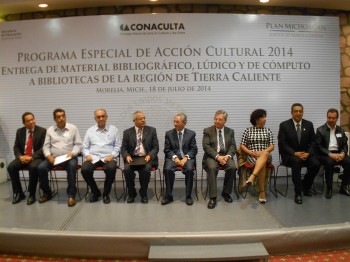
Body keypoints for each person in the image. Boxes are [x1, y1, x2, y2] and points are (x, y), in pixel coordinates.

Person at [278, 103, 321, 204]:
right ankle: (298, 192)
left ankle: (305, 186)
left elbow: (313, 141)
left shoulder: (309, 124)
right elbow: (282, 143)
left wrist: (308, 153)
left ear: (303, 112)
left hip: (305, 155)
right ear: (291, 112)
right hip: (290, 156)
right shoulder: (284, 125)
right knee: (296, 162)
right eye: (295, 111)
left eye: (300, 111)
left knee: (316, 164)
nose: (298, 113)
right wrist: (294, 153)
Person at [38, 108, 82, 207]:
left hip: (69, 157)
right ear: (54, 119)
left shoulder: (73, 128)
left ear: (65, 116)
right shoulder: (50, 130)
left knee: (71, 167)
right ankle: (47, 193)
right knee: (41, 168)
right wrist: (48, 156)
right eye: (58, 117)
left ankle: (71, 195)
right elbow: (46, 146)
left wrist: (73, 153)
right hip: (54, 158)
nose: (61, 118)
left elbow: (78, 144)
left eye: (63, 116)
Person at [81, 108, 121, 204]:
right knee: (84, 169)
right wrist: (87, 155)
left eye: (103, 116)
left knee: (111, 169)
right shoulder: (90, 130)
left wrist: (112, 155)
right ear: (95, 118)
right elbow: (84, 147)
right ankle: (95, 192)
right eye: (98, 117)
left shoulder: (114, 130)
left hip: (108, 157)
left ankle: (106, 194)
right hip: (93, 157)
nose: (101, 118)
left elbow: (118, 146)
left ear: (106, 117)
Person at [7, 112, 46, 205]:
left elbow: (43, 148)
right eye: (28, 121)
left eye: (32, 119)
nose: (31, 122)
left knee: (33, 167)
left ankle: (31, 194)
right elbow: (16, 147)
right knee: (11, 167)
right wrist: (20, 157)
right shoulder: (19, 131)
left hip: (36, 157)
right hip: (23, 156)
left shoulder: (42, 131)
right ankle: (18, 193)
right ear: (24, 123)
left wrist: (32, 157)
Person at [121, 111, 159, 204]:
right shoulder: (127, 132)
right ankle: (131, 192)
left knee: (145, 170)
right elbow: (123, 148)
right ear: (134, 120)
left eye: (144, 118)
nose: (143, 120)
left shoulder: (152, 130)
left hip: (146, 157)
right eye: (140, 118)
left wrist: (150, 155)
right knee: (127, 170)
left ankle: (143, 192)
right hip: (132, 158)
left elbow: (156, 147)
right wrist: (126, 156)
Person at [202, 110, 237, 209]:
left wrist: (228, 156)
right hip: (212, 156)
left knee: (232, 167)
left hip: (226, 156)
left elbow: (233, 146)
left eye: (220, 119)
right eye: (215, 119)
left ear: (225, 120)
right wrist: (218, 156)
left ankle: (226, 193)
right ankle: (213, 197)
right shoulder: (207, 130)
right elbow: (206, 147)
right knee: (212, 167)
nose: (217, 121)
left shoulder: (230, 131)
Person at [162, 113, 198, 206]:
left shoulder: (191, 134)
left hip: (187, 158)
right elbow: (167, 149)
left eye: (177, 122)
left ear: (184, 123)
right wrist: (175, 158)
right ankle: (168, 196)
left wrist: (185, 158)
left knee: (190, 169)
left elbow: (194, 149)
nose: (175, 123)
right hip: (173, 157)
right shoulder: (169, 134)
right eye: (174, 121)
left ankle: (188, 196)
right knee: (167, 169)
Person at [240, 109, 274, 204]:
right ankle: (262, 192)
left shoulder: (268, 131)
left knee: (265, 155)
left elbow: (272, 146)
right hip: (252, 156)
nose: (265, 119)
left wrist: (263, 152)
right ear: (257, 119)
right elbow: (242, 145)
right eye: (263, 117)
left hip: (266, 155)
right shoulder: (248, 131)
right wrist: (250, 152)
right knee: (261, 163)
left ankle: (252, 176)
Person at [315, 108, 350, 199]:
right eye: (329, 117)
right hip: (325, 154)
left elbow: (345, 145)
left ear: (337, 118)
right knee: (329, 163)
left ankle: (344, 186)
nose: (331, 120)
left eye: (333, 118)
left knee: (349, 162)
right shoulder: (320, 130)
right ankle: (329, 188)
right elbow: (318, 146)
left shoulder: (341, 130)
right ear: (327, 117)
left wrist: (343, 153)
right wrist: (329, 154)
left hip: (338, 153)